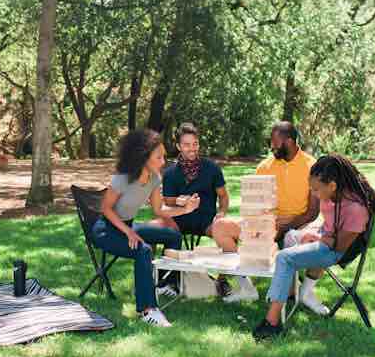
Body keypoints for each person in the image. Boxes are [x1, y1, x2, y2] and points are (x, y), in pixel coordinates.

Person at [252, 154, 375, 340]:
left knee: (284, 257)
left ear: (332, 185)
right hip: (325, 238)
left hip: (334, 251)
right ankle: (293, 295)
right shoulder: (331, 194)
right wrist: (313, 233)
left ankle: (272, 322)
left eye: (316, 189)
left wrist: (318, 239)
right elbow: (327, 221)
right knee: (290, 238)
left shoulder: (355, 209)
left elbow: (339, 245)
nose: (313, 193)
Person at [93, 129, 200, 327]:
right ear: (144, 158)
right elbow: (106, 209)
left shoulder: (154, 178)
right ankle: (148, 309)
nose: (162, 161)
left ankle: (165, 285)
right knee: (143, 251)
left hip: (128, 226)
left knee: (172, 236)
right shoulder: (122, 179)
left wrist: (185, 209)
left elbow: (160, 210)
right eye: (158, 157)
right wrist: (128, 232)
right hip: (106, 229)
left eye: (163, 157)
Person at [211, 122, 321, 307]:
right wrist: (263, 222)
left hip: (299, 223)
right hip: (267, 223)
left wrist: (287, 225)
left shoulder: (312, 165)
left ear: (289, 142)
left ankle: (306, 292)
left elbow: (312, 212)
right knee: (220, 227)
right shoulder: (264, 166)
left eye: (275, 142)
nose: (271, 146)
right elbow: (256, 204)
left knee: (319, 241)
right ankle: (246, 287)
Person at [158, 123, 233, 295]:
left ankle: (223, 280)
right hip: (179, 220)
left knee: (226, 230)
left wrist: (221, 213)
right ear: (178, 146)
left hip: (206, 221)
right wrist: (179, 200)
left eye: (195, 144)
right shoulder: (170, 173)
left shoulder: (212, 168)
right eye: (186, 144)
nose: (192, 148)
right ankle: (166, 280)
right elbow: (167, 201)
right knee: (159, 229)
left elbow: (223, 196)